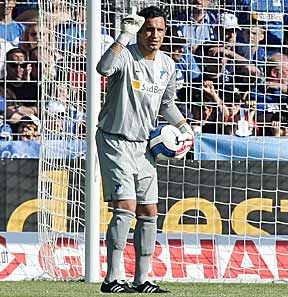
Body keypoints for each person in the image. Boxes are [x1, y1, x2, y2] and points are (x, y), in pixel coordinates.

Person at [95, 6, 194, 294]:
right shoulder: (126, 54)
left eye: (159, 29)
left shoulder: (168, 65)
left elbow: (166, 105)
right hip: (115, 139)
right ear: (140, 30)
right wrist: (123, 36)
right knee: (125, 206)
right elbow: (102, 69)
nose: (154, 34)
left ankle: (143, 279)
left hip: (145, 146)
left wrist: (185, 127)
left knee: (149, 210)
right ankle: (113, 278)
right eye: (148, 28)